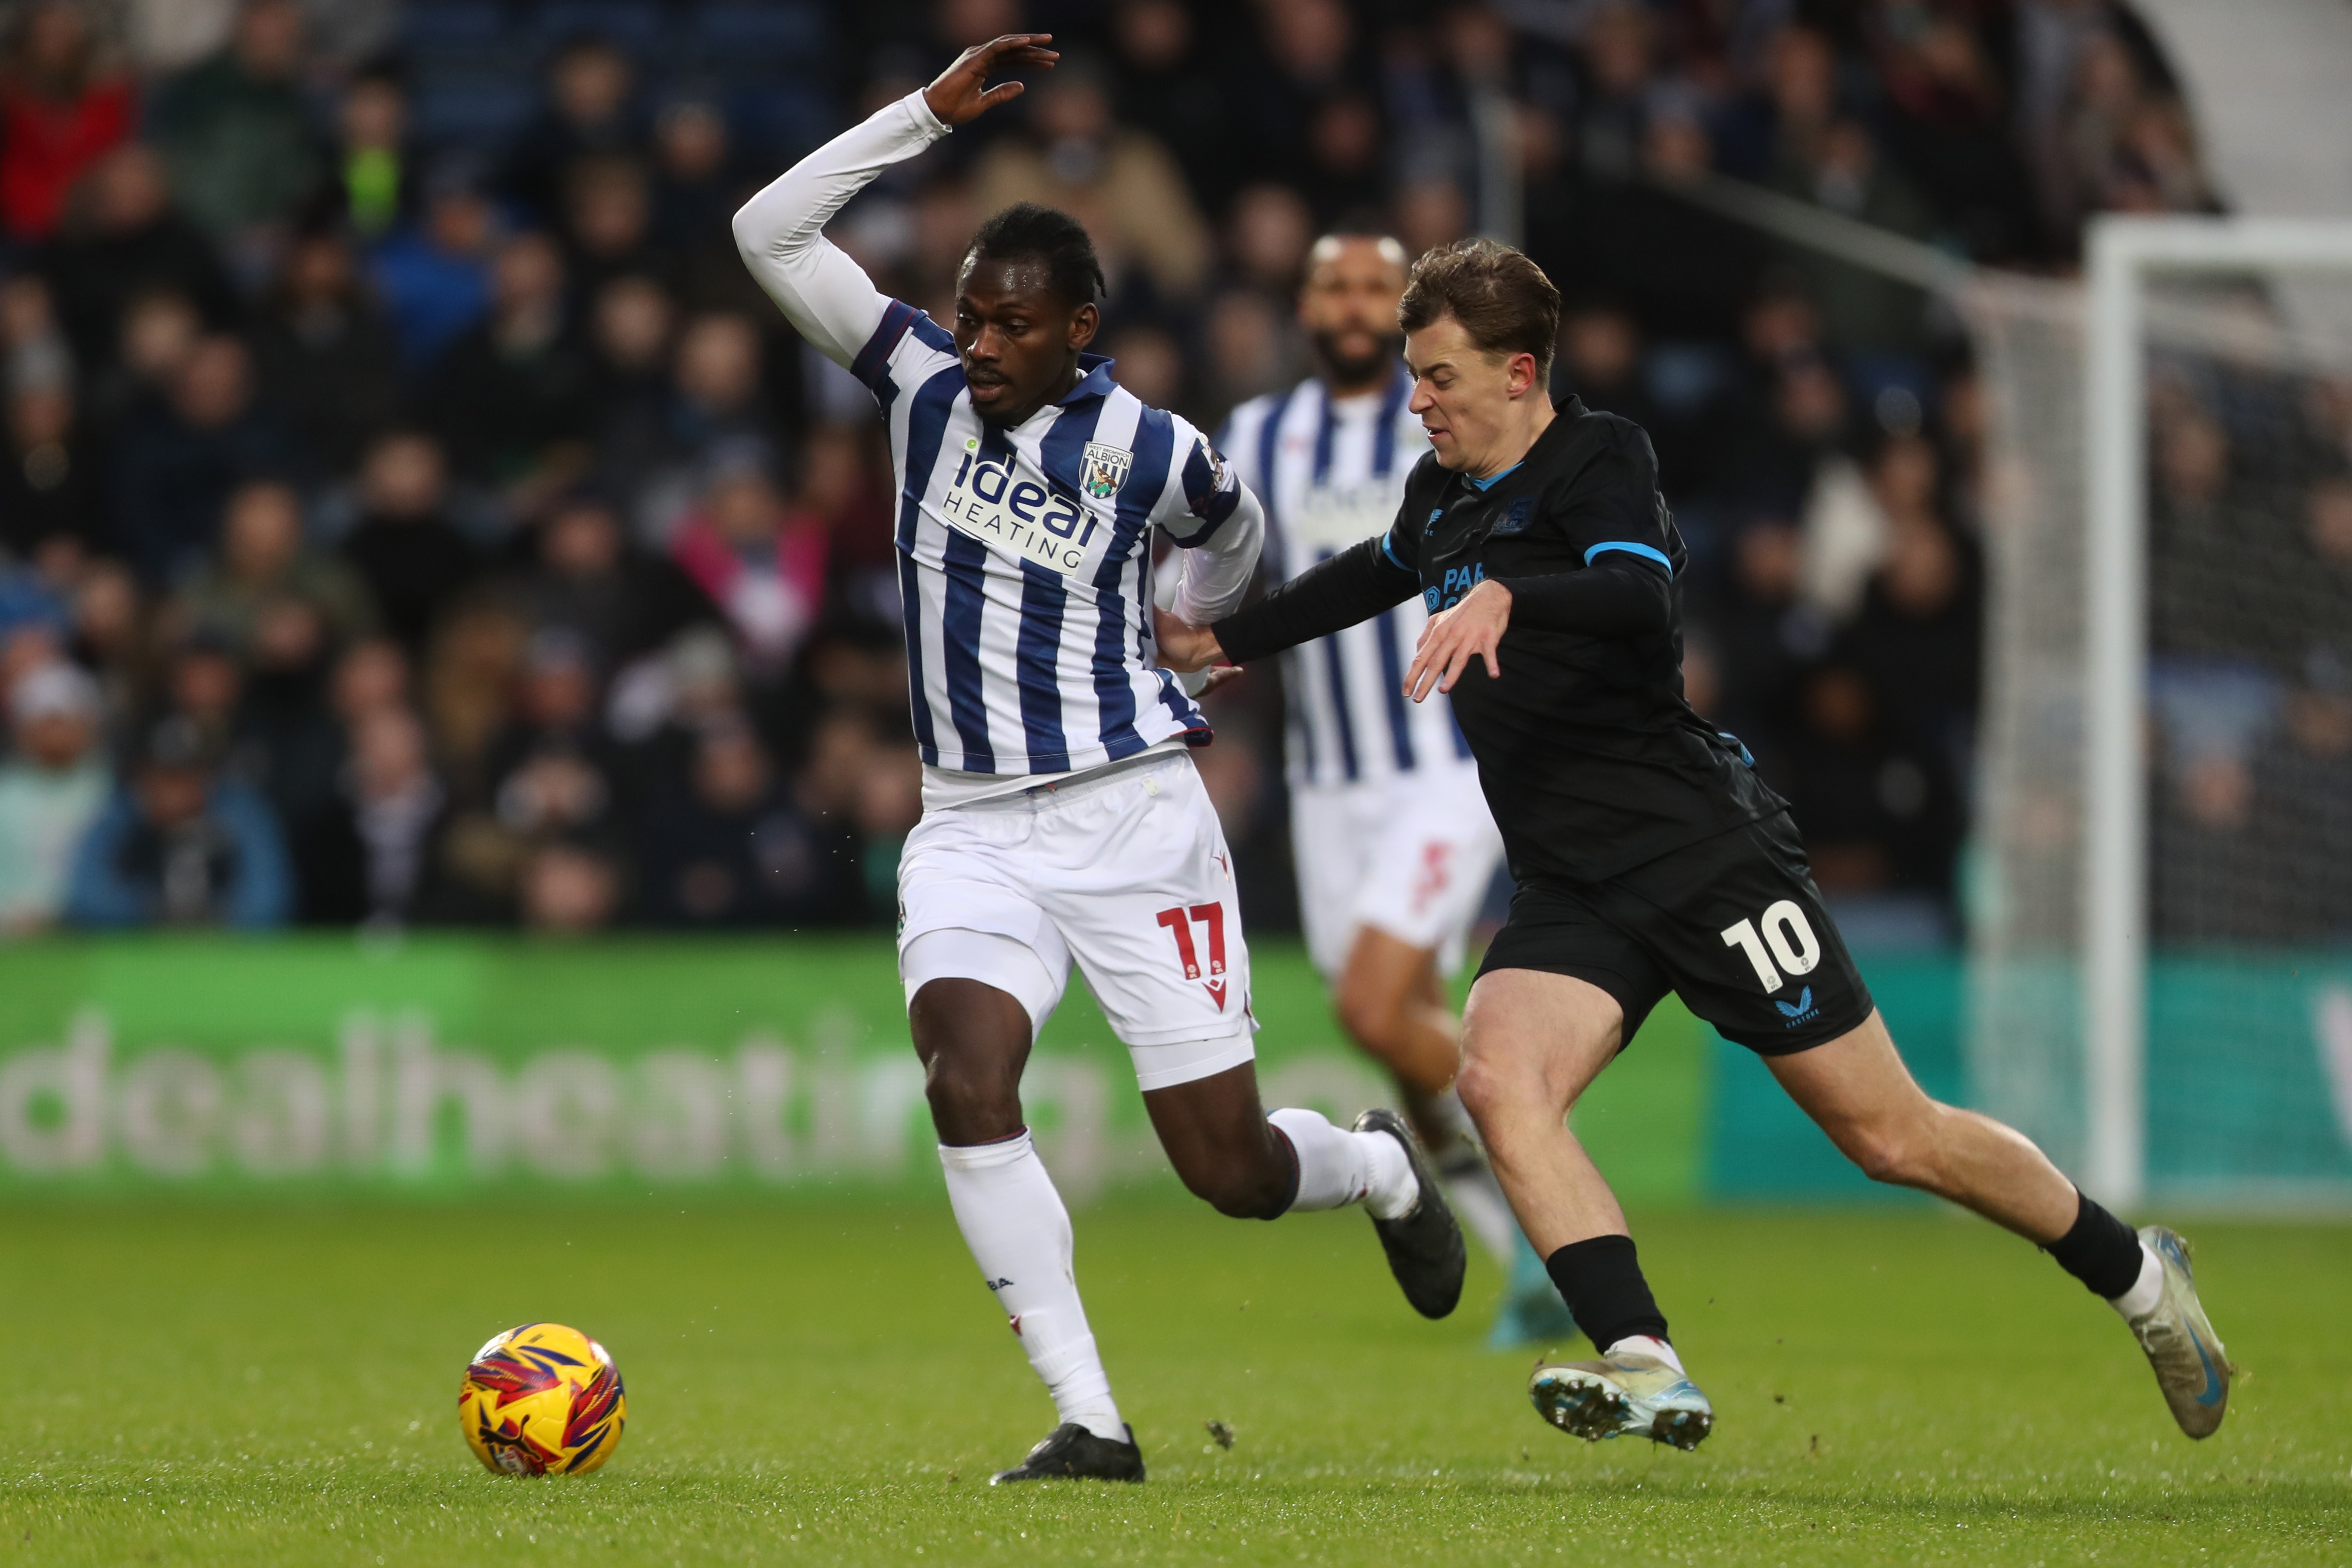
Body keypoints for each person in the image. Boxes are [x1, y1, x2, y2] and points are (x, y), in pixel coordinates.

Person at [1159, 237, 2231, 1450]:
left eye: (1440, 376)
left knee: (1889, 1133)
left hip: (1698, 849)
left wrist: (1517, 594)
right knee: (1499, 1078)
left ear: (1519, 372)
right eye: (1414, 376)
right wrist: (1226, 637)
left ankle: (2136, 1274)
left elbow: (1640, 593)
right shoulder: (1440, 493)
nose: (1419, 400)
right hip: (1572, 878)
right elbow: (1372, 572)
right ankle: (1644, 1357)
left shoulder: (1599, 458)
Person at [732, 33, 1467, 1484]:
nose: (982, 344)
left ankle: (1376, 1166)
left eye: (1012, 325)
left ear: (1080, 324)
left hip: (1135, 823)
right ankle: (1090, 1417)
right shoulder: (917, 386)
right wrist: (923, 117)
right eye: (970, 317)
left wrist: (1199, 629)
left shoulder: (1157, 451)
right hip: (970, 828)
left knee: (1230, 1172)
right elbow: (767, 231)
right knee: (964, 1076)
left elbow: (1233, 538)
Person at [1220, 230, 1571, 1348]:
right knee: (1403, 1027)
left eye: (1379, 285)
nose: (1359, 304)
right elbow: (1221, 567)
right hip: (1325, 786)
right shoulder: (1258, 436)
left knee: (1373, 1006)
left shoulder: (1448, 421)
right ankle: (1525, 1256)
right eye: (1337, 286)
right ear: (1308, 307)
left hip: (1439, 767)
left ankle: (1550, 1196)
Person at [0, 660, 111, 932]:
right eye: (47, 722)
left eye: (66, 722)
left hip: (97, 937)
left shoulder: (111, 792)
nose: (56, 734)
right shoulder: (6, 795)